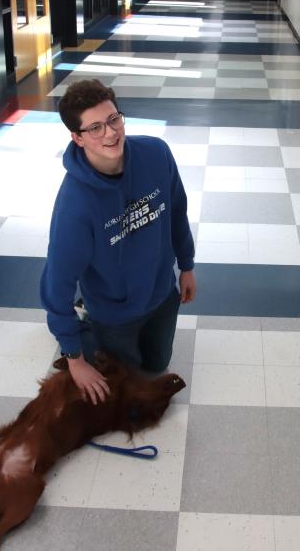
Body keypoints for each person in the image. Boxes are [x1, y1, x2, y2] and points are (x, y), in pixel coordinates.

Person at [41, 80, 197, 405]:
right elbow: (57, 285)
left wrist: (186, 266)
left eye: (113, 120)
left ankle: (93, 325)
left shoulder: (156, 153)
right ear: (77, 137)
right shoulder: (75, 206)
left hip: (160, 293)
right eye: (95, 128)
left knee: (157, 364)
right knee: (124, 382)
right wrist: (74, 360)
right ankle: (84, 330)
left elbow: (177, 211)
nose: (111, 134)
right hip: (115, 310)